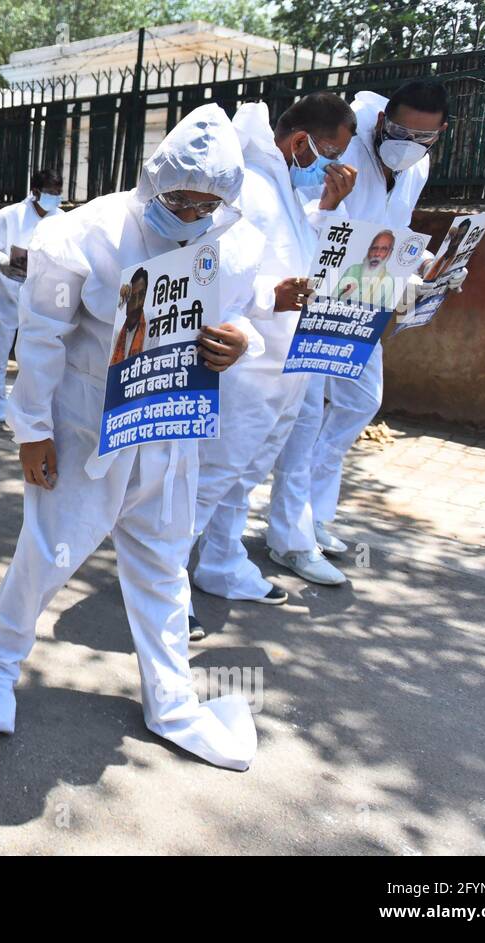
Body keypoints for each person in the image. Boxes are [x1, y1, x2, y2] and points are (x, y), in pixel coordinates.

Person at [0, 104, 265, 771]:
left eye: (206, 203)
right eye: (179, 198)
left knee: (162, 568)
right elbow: (41, 338)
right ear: (155, 179)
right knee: (48, 554)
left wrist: (240, 340)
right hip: (84, 424)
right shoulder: (86, 233)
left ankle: (172, 699)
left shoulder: (231, 239)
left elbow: (243, 312)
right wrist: (30, 430)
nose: (189, 213)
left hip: (172, 429)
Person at [187, 93, 358, 638]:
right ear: (301, 141)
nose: (336, 166)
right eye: (333, 153)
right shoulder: (250, 187)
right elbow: (218, 271)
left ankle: (220, 563)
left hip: (286, 365)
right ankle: (160, 585)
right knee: (208, 480)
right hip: (244, 366)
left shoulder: (282, 184)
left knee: (243, 476)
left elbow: (299, 251)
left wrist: (328, 208)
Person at [267, 80, 447, 583]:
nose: (409, 142)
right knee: (304, 418)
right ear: (384, 118)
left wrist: (429, 264)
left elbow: (397, 230)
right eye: (402, 129)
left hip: (366, 295)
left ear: (441, 135)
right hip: (317, 298)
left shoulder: (417, 166)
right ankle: (290, 537)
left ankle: (315, 514)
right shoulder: (345, 146)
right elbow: (302, 218)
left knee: (360, 402)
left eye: (424, 136)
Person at [0, 169, 64, 422]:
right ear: (35, 192)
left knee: (37, 348)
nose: (55, 198)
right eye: (50, 193)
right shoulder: (9, 216)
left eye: (58, 194)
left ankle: (32, 403)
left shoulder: (61, 219)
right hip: (7, 289)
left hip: (42, 293)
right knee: (1, 343)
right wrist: (2, 262)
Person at [334, 229, 396, 308]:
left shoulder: (388, 280)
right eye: (374, 248)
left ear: (390, 253)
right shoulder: (353, 269)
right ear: (369, 249)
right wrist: (344, 295)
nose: (377, 254)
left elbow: (383, 313)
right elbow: (331, 299)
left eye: (384, 249)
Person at [110, 267, 147, 364]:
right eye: (133, 297)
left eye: (142, 295)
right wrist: (122, 300)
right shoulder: (118, 331)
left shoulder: (150, 326)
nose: (137, 304)